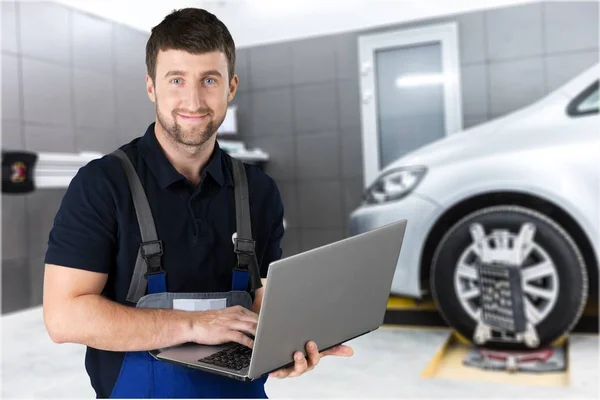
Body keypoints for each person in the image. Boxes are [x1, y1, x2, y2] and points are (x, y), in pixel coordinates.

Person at [42, 7, 353, 399]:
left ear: (231, 87)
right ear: (152, 87)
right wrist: (193, 325)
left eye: (209, 79)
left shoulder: (259, 191)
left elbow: (260, 298)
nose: (193, 99)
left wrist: (291, 342)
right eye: (176, 79)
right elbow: (63, 317)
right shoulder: (103, 184)